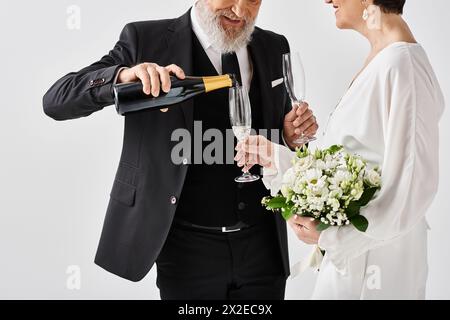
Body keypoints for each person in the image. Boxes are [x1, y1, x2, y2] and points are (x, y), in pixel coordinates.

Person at [43, 0, 318, 299]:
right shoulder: (145, 40)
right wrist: (121, 77)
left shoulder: (274, 45)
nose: (240, 11)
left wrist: (289, 138)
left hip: (264, 246)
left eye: (253, 0)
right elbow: (56, 101)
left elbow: (269, 139)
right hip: (186, 250)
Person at [235, 0, 445, 299]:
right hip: (358, 259)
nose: (328, 0)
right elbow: (354, 164)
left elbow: (413, 186)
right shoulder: (384, 60)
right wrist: (274, 156)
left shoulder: (402, 65)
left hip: (380, 268)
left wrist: (335, 236)